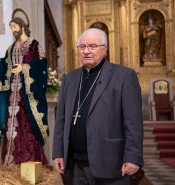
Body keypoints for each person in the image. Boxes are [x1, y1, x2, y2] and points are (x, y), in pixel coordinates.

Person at [52, 28, 144, 185]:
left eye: (92, 46)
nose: (86, 51)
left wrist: (133, 157)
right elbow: (61, 119)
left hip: (110, 161)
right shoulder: (70, 79)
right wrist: (58, 153)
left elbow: (133, 122)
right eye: (82, 47)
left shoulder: (124, 76)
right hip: (76, 162)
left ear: (104, 49)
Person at [0, 17, 48, 165]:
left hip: (27, 96)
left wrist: (25, 67)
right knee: (11, 128)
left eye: (14, 26)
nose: (13, 30)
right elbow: (6, 65)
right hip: (12, 95)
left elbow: (42, 64)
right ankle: (11, 164)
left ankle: (30, 162)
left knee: (27, 127)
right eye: (11, 27)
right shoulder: (11, 48)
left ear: (22, 26)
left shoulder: (34, 45)